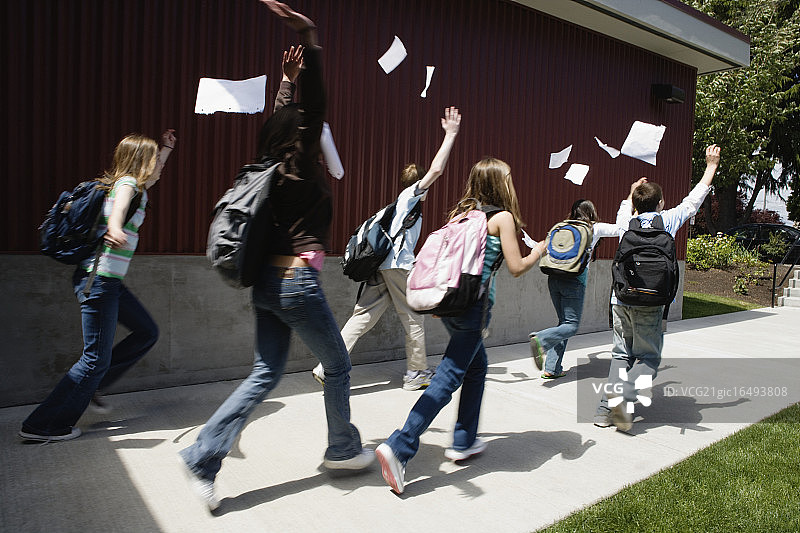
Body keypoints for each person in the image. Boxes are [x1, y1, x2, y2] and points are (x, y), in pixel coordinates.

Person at [179, 1, 373, 512]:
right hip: (295, 283)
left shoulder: (270, 163)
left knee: (264, 374)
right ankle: (343, 448)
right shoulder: (300, 162)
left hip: (265, 284)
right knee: (337, 364)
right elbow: (313, 112)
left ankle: (203, 457)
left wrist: (287, 82)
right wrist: (310, 40)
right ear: (302, 139)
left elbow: (287, 120)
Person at [375, 157, 548, 494]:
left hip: (452, 304)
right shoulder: (502, 219)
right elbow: (515, 266)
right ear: (500, 184)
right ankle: (401, 445)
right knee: (448, 378)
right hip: (473, 309)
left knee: (477, 367)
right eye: (509, 177)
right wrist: (538, 251)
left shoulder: (462, 215)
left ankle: (464, 440)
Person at [19, 129, 177, 442]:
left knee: (147, 332)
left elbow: (151, 179)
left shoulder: (140, 187)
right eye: (155, 160)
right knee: (94, 359)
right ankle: (44, 424)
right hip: (98, 279)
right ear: (140, 162)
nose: (159, 165)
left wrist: (167, 149)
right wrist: (115, 227)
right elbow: (118, 208)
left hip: (111, 282)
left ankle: (96, 384)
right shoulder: (127, 185)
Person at [311, 106, 462, 391]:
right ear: (418, 184)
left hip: (381, 267)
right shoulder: (411, 197)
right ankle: (416, 373)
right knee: (414, 318)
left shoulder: (400, 203)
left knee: (361, 317)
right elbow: (437, 169)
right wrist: (450, 135)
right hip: (399, 267)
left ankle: (326, 367)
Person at [594, 144, 721, 430]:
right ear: (661, 203)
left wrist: (631, 193)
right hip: (651, 302)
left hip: (621, 298)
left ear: (636, 205)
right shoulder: (668, 221)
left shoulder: (627, 222)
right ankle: (623, 397)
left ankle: (604, 411)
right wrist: (711, 165)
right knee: (648, 358)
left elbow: (623, 210)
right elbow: (693, 201)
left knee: (620, 354)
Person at [530, 182, 646, 379]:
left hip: (553, 278)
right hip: (575, 280)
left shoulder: (563, 226)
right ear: (591, 212)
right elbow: (621, 228)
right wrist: (630, 196)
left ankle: (552, 368)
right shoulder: (594, 228)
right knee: (571, 326)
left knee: (563, 324)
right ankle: (541, 339)